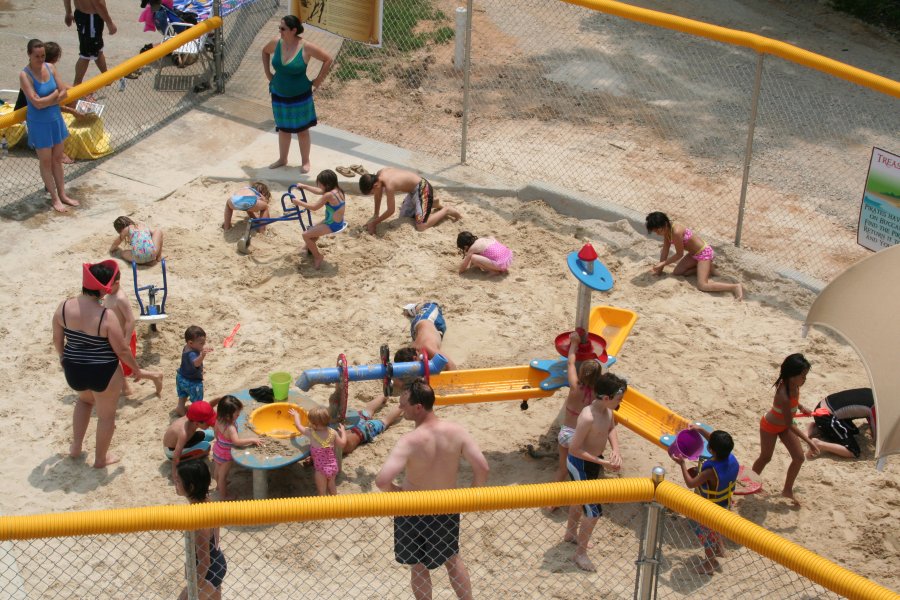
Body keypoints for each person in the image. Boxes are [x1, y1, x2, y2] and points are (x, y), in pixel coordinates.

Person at [375, 379, 489, 600]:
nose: (400, 409)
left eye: (403, 405)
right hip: (445, 506)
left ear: (418, 408)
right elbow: (482, 467)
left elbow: (382, 481)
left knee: (418, 566)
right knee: (452, 559)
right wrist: (474, 496)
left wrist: (396, 492)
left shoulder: (409, 441)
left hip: (412, 509)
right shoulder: (457, 432)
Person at [52, 260, 160, 467]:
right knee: (106, 417)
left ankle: (76, 447)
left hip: (74, 370)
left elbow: (57, 341)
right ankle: (101, 459)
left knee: (84, 402)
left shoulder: (63, 307)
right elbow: (121, 350)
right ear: (104, 289)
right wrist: (136, 369)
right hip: (103, 372)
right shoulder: (106, 316)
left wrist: (63, 359)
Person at [564, 372, 625, 572]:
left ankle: (571, 534)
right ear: (606, 398)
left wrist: (615, 450)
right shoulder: (587, 417)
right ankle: (580, 554)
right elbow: (574, 449)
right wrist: (602, 461)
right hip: (579, 463)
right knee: (594, 511)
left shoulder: (608, 410)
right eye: (618, 399)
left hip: (592, 463)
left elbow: (610, 429)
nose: (620, 402)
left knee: (577, 500)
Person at [261, 15, 333, 174]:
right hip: (279, 94)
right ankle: (282, 158)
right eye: (279, 28)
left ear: (293, 30)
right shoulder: (276, 42)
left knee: (302, 130)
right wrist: (268, 74)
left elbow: (328, 59)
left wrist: (318, 81)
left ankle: (305, 161)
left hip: (300, 96)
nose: (280, 31)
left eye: (283, 29)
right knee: (283, 129)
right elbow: (265, 52)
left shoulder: (306, 47)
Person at [750, 353, 819, 506]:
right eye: (802, 376)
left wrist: (801, 407)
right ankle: (750, 483)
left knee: (799, 458)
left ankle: (787, 490)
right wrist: (809, 441)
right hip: (770, 426)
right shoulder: (783, 394)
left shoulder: (793, 384)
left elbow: (793, 407)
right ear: (790, 375)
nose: (804, 380)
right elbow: (789, 424)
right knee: (765, 457)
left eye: (806, 376)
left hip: (784, 425)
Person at [19, 39, 78, 213]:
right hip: (39, 123)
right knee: (45, 161)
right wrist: (54, 97)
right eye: (36, 56)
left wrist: (49, 99)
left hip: (54, 119)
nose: (40, 59)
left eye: (43, 55)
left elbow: (64, 92)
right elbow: (36, 103)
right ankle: (54, 198)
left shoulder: (51, 68)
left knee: (57, 159)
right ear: (29, 55)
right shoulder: (25, 75)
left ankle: (63, 194)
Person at [671, 427, 739, 575]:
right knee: (716, 528)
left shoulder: (709, 471)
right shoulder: (730, 458)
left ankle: (710, 563)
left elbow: (691, 483)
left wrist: (682, 464)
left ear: (712, 450)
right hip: (724, 504)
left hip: (709, 509)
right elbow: (715, 443)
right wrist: (700, 430)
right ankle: (720, 549)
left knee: (706, 535)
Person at [550, 332, 606, 497]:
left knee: (562, 469)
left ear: (582, 374)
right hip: (580, 439)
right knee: (579, 472)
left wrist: (573, 344)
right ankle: (580, 497)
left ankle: (551, 501)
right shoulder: (598, 394)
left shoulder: (574, 386)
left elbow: (570, 362)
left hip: (565, 433)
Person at [645, 211, 743, 301]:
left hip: (703, 253)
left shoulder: (676, 231)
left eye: (657, 231)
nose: (657, 234)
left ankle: (734, 287)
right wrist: (659, 271)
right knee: (677, 272)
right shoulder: (667, 231)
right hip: (693, 254)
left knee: (702, 285)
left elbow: (679, 254)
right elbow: (665, 250)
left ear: (665, 224)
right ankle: (706, 268)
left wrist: (663, 263)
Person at [339, 347, 415, 457]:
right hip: (359, 429)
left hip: (361, 431)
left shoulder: (333, 445)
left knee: (379, 418)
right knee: (373, 414)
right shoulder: (330, 441)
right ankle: (390, 397)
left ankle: (395, 401)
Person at [102, 264, 163, 396]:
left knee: (127, 368)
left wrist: (126, 340)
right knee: (116, 365)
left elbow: (130, 320)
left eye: (106, 285)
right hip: (113, 336)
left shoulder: (120, 298)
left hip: (124, 338)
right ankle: (126, 388)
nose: (104, 288)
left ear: (116, 283)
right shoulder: (110, 294)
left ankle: (154, 376)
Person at [175, 460, 227, 600]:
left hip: (209, 570)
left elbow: (205, 561)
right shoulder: (208, 501)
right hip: (217, 561)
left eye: (178, 481)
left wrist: (192, 590)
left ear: (190, 487)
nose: (175, 484)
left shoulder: (199, 520)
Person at [360, 168, 461, 235]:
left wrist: (374, 223)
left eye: (371, 192)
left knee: (421, 226)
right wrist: (375, 215)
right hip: (412, 192)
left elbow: (391, 210)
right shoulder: (379, 175)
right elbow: (378, 195)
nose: (374, 194)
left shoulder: (389, 185)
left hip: (422, 189)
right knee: (405, 218)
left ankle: (446, 210)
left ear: (375, 185)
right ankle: (434, 203)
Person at [289, 169, 347, 268]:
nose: (318, 187)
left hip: (332, 224)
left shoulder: (328, 195)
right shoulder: (338, 190)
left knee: (305, 235)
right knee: (312, 228)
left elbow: (314, 207)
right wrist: (305, 186)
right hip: (337, 221)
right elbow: (319, 191)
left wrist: (298, 202)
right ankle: (306, 247)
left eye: (320, 184)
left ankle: (318, 256)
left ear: (327, 185)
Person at [212, 396, 262, 500]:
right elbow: (237, 442)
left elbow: (216, 433)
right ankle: (224, 496)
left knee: (217, 470)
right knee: (223, 476)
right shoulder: (230, 428)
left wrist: (221, 441)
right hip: (226, 454)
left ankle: (218, 487)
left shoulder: (218, 419)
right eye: (236, 414)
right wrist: (252, 440)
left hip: (218, 449)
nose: (238, 415)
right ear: (227, 415)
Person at [289, 406, 347, 495]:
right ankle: (336, 504)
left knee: (322, 491)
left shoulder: (311, 433)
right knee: (331, 485)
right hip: (333, 467)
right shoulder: (333, 432)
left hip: (321, 470)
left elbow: (298, 426)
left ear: (314, 425)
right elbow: (342, 444)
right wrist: (343, 432)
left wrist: (296, 415)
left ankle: (323, 507)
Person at [806, 388, 876, 459]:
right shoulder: (875, 407)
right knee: (853, 451)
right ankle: (819, 444)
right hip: (826, 416)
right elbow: (877, 437)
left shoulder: (871, 391)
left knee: (853, 431)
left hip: (821, 407)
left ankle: (816, 428)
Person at [64, 0, 118, 86]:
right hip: (91, 18)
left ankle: (107, 77)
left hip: (82, 14)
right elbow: (99, 4)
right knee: (86, 55)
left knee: (98, 49)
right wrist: (110, 23)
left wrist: (68, 12)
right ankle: (76, 86)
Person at [164, 399, 220, 478]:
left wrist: (220, 399)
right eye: (208, 423)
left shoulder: (192, 416)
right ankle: (183, 462)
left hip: (182, 440)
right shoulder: (184, 433)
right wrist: (175, 474)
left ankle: (191, 449)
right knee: (206, 448)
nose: (210, 425)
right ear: (197, 423)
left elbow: (208, 405)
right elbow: (176, 456)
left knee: (210, 435)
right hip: (171, 451)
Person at [402, 301, 456, 370]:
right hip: (418, 333)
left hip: (426, 319)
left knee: (433, 305)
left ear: (415, 358)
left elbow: (451, 366)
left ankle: (414, 308)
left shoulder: (427, 347)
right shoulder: (415, 351)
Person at [176, 326, 212, 416]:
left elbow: (196, 348)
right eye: (201, 343)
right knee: (197, 401)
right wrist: (202, 356)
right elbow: (196, 363)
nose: (203, 345)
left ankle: (180, 408)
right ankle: (196, 414)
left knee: (183, 395)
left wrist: (201, 347)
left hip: (181, 377)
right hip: (192, 382)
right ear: (191, 343)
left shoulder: (186, 347)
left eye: (204, 342)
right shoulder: (192, 353)